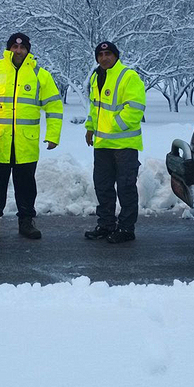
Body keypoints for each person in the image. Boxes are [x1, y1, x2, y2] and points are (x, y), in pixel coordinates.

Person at [0, 33, 63, 243]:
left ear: (28, 50)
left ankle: (26, 223)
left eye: (22, 48)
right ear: (8, 49)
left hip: (26, 143)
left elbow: (54, 106)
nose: (18, 51)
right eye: (14, 47)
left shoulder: (40, 75)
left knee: (26, 187)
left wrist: (53, 135)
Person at [84, 41, 146, 243]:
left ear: (116, 56)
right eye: (100, 55)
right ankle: (106, 224)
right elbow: (95, 108)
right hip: (102, 145)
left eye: (108, 54)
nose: (104, 58)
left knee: (126, 188)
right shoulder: (96, 77)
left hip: (124, 145)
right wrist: (91, 128)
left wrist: (113, 125)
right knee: (102, 187)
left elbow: (135, 108)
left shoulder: (128, 76)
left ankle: (126, 229)